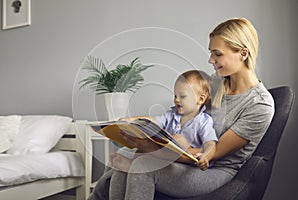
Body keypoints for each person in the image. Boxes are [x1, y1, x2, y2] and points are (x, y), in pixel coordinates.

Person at [88, 17, 275, 200]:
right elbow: (178, 113)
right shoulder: (217, 82)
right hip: (184, 154)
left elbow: (212, 153)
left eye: (217, 54)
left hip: (214, 168)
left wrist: (152, 150)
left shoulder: (260, 105)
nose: (211, 60)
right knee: (123, 162)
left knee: (141, 165)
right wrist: (137, 123)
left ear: (243, 53)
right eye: (211, 53)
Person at [114, 69, 218, 172]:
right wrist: (130, 120)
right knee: (143, 144)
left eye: (182, 96)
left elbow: (210, 144)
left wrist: (206, 157)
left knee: (178, 138)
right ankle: (131, 165)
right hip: (166, 157)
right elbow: (151, 121)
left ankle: (142, 162)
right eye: (175, 96)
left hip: (188, 162)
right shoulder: (170, 115)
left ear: (200, 99)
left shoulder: (204, 121)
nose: (176, 100)